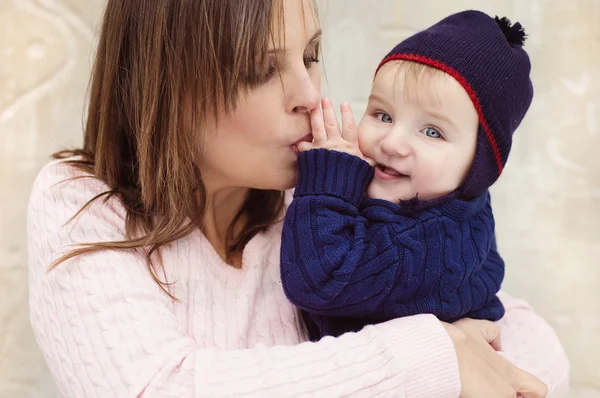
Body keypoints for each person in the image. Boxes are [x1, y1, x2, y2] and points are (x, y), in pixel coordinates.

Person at [27, 0, 568, 396]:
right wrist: (437, 355)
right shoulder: (82, 200)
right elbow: (152, 389)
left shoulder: (325, 194)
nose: (310, 95)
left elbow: (529, 346)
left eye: (310, 56)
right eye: (263, 70)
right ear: (166, 84)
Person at [280, 10, 526, 339]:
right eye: (382, 115)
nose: (393, 143)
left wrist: (327, 181)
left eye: (432, 132)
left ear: (478, 166)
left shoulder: (423, 242)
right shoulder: (448, 201)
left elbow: (320, 281)